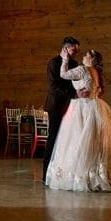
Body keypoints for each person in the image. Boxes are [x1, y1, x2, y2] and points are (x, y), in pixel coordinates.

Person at [45, 50, 111, 192]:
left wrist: (65, 60)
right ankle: (99, 173)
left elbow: (63, 74)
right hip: (95, 107)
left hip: (82, 108)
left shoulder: (83, 69)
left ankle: (82, 174)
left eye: (86, 55)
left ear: (91, 59)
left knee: (78, 141)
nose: (83, 57)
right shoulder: (96, 72)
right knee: (94, 142)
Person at [43, 36, 80, 182]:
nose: (76, 52)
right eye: (73, 50)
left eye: (77, 50)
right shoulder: (53, 63)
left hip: (71, 106)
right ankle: (46, 174)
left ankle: (62, 174)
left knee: (67, 140)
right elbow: (54, 87)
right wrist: (73, 93)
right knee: (53, 139)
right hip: (56, 106)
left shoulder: (75, 63)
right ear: (65, 48)